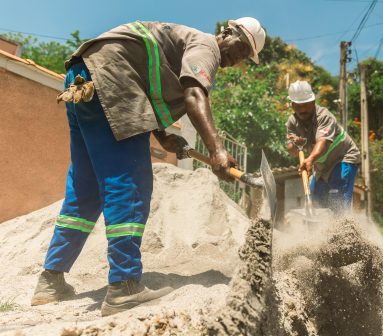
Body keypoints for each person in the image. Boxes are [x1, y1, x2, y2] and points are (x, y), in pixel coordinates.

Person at [31, 17, 266, 316]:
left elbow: (143, 79)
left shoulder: (183, 43)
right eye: (242, 48)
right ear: (227, 33)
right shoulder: (206, 45)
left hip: (83, 77)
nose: (239, 58)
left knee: (85, 190)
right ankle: (124, 285)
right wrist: (217, 150)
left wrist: (163, 135)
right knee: (130, 183)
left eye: (246, 56)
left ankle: (50, 281)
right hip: (110, 80)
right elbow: (195, 95)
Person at [286, 80, 360, 212]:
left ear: (313, 102)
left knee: (338, 194)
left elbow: (323, 142)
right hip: (322, 166)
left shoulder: (324, 116)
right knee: (316, 201)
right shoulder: (292, 122)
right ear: (292, 105)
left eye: (306, 105)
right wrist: (294, 145)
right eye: (298, 105)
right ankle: (320, 231)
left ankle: (344, 229)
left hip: (343, 157)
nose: (302, 109)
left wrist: (310, 160)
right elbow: (292, 151)